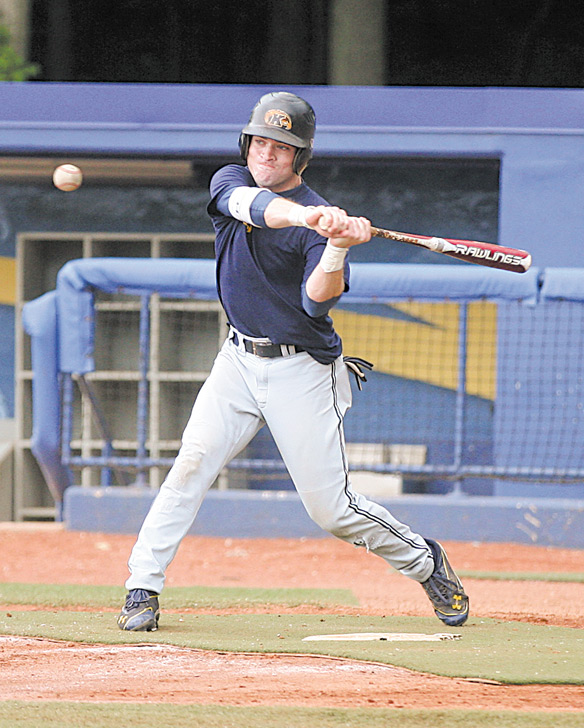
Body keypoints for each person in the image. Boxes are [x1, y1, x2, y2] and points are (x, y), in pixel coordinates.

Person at [118, 91, 469, 632]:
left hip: (302, 371)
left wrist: (335, 244)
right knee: (190, 465)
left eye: (281, 146)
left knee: (331, 510)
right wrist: (311, 217)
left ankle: (424, 561)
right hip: (236, 359)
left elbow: (315, 301)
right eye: (260, 140)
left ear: (299, 156)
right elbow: (255, 210)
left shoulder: (316, 219)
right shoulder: (230, 183)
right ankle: (142, 587)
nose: (267, 153)